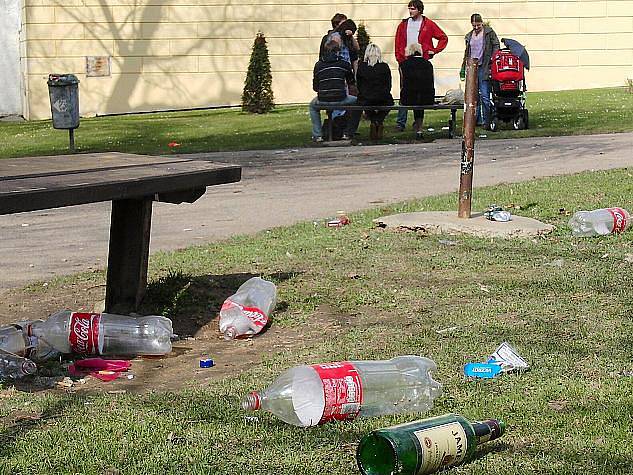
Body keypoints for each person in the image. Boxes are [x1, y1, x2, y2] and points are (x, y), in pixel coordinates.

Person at [394, 0, 447, 132]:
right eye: (409, 8)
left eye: (413, 9)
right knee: (404, 89)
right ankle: (401, 122)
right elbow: (398, 42)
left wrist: (434, 50)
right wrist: (400, 58)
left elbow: (443, 37)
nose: (410, 11)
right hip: (406, 61)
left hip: (421, 62)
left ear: (419, 10)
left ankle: (418, 123)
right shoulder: (403, 24)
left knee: (421, 89)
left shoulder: (428, 24)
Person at [309, 35, 357, 142]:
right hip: (341, 98)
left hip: (323, 99)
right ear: (338, 51)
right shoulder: (344, 64)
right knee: (357, 103)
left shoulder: (318, 65)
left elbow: (315, 87)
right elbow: (351, 82)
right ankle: (348, 132)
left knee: (312, 106)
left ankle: (318, 135)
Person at [460, 13, 500, 127]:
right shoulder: (469, 36)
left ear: (482, 23)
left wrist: (493, 58)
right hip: (472, 67)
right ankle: (475, 121)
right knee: (473, 96)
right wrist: (464, 66)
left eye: (478, 25)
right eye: (474, 26)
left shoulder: (488, 32)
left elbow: (496, 45)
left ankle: (487, 120)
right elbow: (467, 52)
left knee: (485, 96)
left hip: (484, 66)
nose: (476, 28)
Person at [348, 43, 394, 140]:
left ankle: (374, 121)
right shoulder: (384, 67)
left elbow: (359, 85)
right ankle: (379, 121)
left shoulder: (362, 66)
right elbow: (388, 84)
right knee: (390, 102)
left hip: (366, 98)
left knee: (362, 102)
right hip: (383, 98)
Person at [399, 43, 435, 139]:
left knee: (410, 96)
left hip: (408, 98)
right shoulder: (428, 64)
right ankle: (419, 128)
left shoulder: (403, 65)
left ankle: (402, 123)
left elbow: (402, 83)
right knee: (420, 96)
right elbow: (431, 81)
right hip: (427, 98)